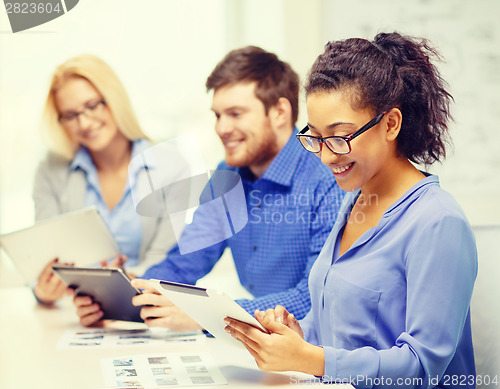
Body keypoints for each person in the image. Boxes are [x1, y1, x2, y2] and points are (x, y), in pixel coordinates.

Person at [224, 32, 477, 388]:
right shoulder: (353, 201)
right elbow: (338, 327)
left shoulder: (437, 222)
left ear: (390, 124)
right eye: (315, 136)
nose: (326, 156)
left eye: (340, 136)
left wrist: (311, 359)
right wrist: (298, 335)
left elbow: (422, 367)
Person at [74, 46, 345, 328]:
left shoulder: (329, 179)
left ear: (279, 112)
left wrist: (206, 315)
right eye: (217, 115)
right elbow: (184, 262)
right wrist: (124, 296)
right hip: (267, 346)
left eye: (235, 113)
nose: (221, 128)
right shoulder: (227, 177)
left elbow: (314, 298)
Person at [33, 54, 182, 305]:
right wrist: (42, 293)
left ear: (114, 100)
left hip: (144, 304)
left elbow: (166, 257)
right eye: (70, 115)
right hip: (74, 311)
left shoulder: (171, 165)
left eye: (92, 106)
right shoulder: (51, 170)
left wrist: (120, 286)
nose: (84, 122)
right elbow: (45, 256)